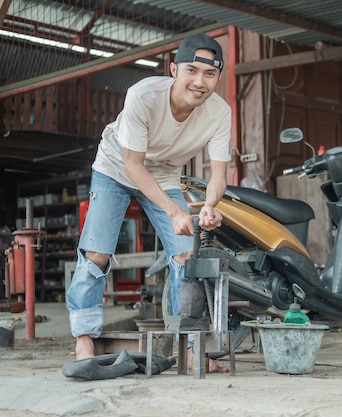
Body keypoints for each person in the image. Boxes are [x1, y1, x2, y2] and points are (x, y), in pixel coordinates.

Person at [66, 33, 231, 373]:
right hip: (116, 167)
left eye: (210, 74)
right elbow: (133, 166)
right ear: (174, 69)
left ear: (217, 77)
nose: (200, 82)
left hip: (167, 176)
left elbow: (218, 175)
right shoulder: (143, 95)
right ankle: (84, 338)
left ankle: (188, 346)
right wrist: (174, 211)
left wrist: (210, 206)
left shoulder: (219, 112)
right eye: (191, 70)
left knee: (186, 255)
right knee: (97, 252)